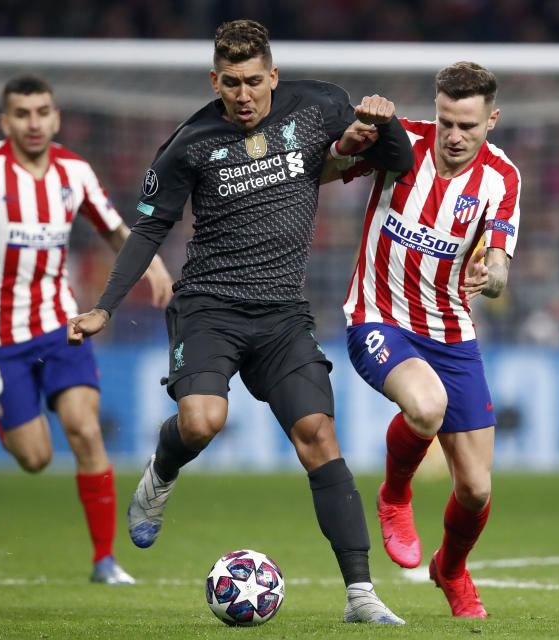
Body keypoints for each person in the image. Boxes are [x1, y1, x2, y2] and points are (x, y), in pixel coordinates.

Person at [66, 20, 414, 623]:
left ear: (273, 75)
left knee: (318, 437)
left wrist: (387, 124)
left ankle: (361, 595)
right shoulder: (189, 143)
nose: (245, 94)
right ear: (215, 81)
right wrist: (104, 306)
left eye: (255, 81)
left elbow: (400, 161)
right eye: (232, 83)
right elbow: (150, 226)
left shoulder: (320, 105)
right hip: (209, 307)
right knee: (202, 422)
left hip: (282, 314)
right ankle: (162, 470)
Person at [0, 75, 175, 584]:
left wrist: (149, 264)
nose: (34, 122)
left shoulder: (75, 171)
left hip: (58, 327)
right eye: (22, 113)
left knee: (86, 430)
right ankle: (5, 411)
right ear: (6, 122)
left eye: (42, 111)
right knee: (36, 458)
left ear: (56, 117)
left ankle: (104, 561)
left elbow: (113, 228)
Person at [324, 61, 521, 618]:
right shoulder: (400, 141)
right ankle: (394, 497)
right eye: (447, 121)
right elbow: (328, 166)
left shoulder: (502, 177)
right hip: (377, 317)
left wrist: (496, 276)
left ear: (492, 119)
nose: (455, 137)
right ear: (435, 109)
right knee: (427, 406)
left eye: (469, 126)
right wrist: (351, 135)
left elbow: (501, 262)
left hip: (452, 330)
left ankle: (451, 571)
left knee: (477, 491)